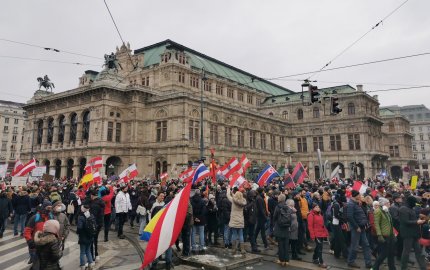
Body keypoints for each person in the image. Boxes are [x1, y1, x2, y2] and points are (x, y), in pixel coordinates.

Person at [399, 195, 427, 270]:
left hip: (414, 234)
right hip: (408, 234)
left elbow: (412, 219)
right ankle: (403, 268)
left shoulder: (410, 208)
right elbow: (405, 221)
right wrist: (417, 222)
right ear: (410, 202)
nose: (415, 204)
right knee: (406, 252)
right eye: (414, 203)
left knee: (418, 252)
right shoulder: (403, 209)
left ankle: (423, 268)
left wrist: (419, 218)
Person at [346, 190, 372, 269]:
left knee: (366, 245)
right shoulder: (351, 204)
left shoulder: (357, 203)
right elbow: (350, 217)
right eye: (359, 194)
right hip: (356, 228)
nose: (360, 195)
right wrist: (356, 227)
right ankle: (351, 261)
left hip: (362, 227)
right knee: (355, 246)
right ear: (355, 195)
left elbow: (361, 214)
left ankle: (368, 263)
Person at [24, 200, 55, 265]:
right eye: (48, 208)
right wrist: (29, 241)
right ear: (43, 207)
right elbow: (27, 230)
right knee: (36, 263)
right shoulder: (35, 217)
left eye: (50, 208)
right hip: (36, 245)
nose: (49, 210)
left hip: (47, 244)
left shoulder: (51, 217)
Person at [372, 197, 396, 270]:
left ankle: (392, 268)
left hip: (390, 235)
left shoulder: (386, 210)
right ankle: (374, 268)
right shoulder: (378, 211)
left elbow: (390, 223)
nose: (389, 204)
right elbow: (377, 224)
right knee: (384, 254)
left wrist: (393, 234)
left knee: (391, 253)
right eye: (388, 203)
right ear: (383, 204)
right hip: (384, 235)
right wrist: (379, 235)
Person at [226, 186, 247, 255]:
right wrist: (233, 194)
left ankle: (234, 249)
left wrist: (229, 189)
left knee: (234, 234)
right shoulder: (243, 202)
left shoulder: (233, 200)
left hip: (234, 220)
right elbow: (237, 198)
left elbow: (228, 195)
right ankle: (242, 249)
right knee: (241, 235)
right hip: (240, 220)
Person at [308, 203, 328, 268]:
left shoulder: (319, 214)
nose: (318, 208)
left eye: (318, 207)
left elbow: (322, 225)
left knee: (318, 247)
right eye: (316, 207)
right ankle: (321, 262)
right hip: (316, 234)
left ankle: (314, 258)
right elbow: (310, 227)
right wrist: (312, 236)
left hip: (321, 233)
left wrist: (326, 232)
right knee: (320, 248)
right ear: (313, 208)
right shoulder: (311, 215)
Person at [273, 194, 291, 266]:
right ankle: (287, 260)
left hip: (279, 227)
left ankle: (282, 260)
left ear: (279, 199)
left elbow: (274, 217)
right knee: (286, 245)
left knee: (280, 245)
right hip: (286, 228)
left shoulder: (278, 207)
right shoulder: (288, 207)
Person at [88, 189, 105, 262]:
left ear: (92, 195)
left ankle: (93, 256)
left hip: (95, 224)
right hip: (100, 223)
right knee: (95, 239)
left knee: (92, 240)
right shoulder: (100, 201)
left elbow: (93, 216)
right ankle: (96, 254)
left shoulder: (94, 204)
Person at [77, 204, 95, 270]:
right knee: (88, 251)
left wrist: (78, 232)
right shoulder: (92, 216)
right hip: (90, 236)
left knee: (82, 252)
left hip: (83, 237)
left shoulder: (81, 217)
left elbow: (79, 227)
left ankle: (83, 266)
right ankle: (91, 264)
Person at [191, 189, 206, 254]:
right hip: (201, 220)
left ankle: (193, 248)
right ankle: (201, 248)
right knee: (201, 234)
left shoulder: (191, 200)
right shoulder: (202, 201)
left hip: (193, 220)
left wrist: (195, 218)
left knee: (193, 234)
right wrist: (199, 218)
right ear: (199, 193)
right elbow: (204, 211)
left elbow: (191, 211)